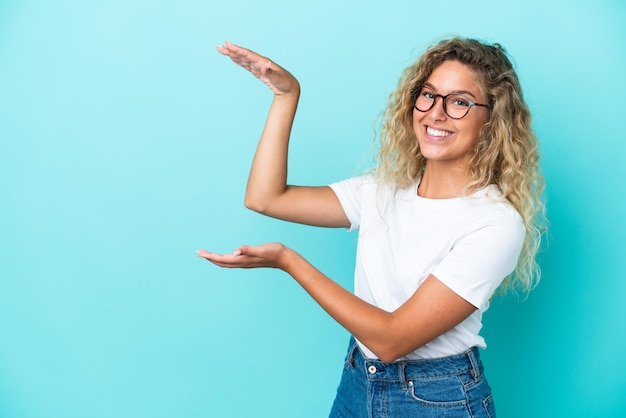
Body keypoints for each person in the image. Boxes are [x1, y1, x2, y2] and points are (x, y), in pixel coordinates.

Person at [199, 37, 546, 417]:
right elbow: (265, 197)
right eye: (428, 95)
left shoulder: (495, 223)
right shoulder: (382, 191)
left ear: (492, 118)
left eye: (460, 102)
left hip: (437, 399)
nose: (436, 113)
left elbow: (391, 339)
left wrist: (288, 260)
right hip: (358, 382)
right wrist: (286, 96)